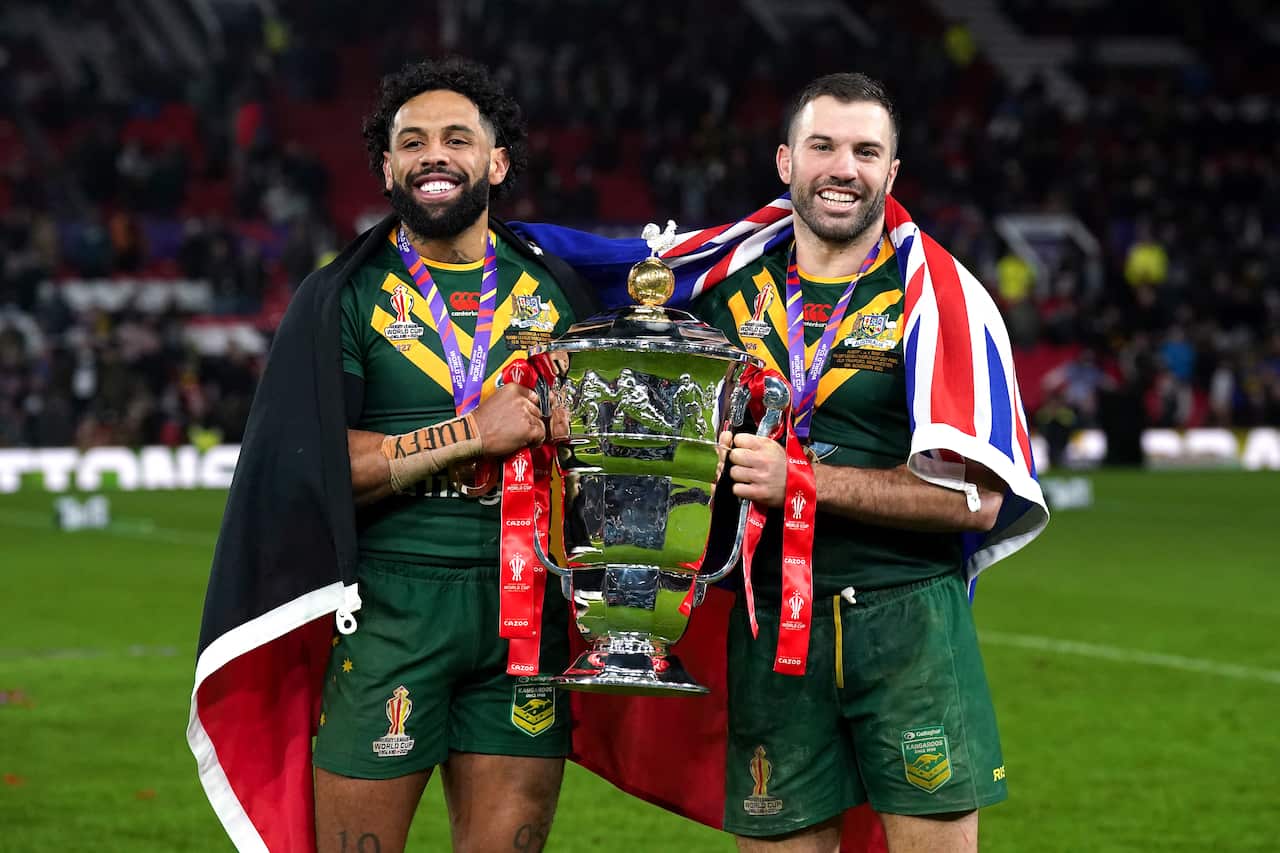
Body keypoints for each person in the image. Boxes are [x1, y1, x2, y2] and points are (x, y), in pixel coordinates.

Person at [189, 57, 596, 853]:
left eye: (456, 138)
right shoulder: (340, 297)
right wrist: (474, 431)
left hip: (525, 612)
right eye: (411, 142)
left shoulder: (558, 295)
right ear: (386, 166)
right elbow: (314, 471)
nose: (432, 155)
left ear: (497, 161)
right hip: (389, 610)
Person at [692, 73, 1045, 851]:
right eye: (822, 146)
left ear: (892, 171)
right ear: (786, 161)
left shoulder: (942, 297)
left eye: (865, 151)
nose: (842, 167)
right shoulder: (723, 293)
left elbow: (977, 502)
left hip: (908, 623)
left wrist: (801, 483)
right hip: (772, 632)